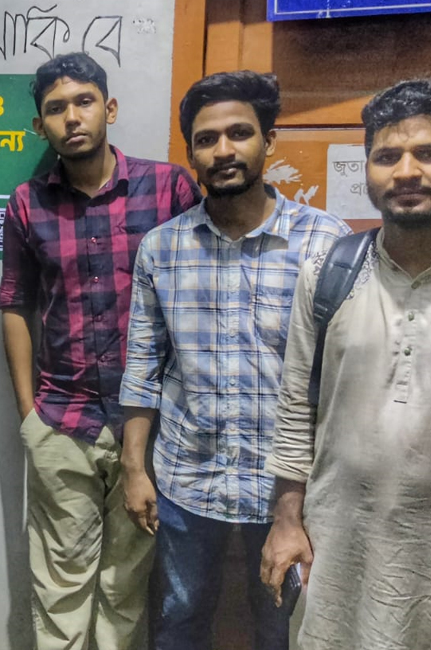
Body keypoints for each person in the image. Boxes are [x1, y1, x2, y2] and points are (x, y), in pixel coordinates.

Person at [260, 77, 431, 649]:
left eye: (430, 153)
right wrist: (286, 521)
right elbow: (296, 411)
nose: (406, 171)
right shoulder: (329, 273)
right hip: (334, 565)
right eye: (386, 157)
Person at [119, 71, 350, 650]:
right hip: (186, 479)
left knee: (283, 629)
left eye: (239, 133)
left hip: (290, 489)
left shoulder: (326, 243)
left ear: (268, 140)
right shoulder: (162, 249)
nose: (223, 150)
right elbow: (143, 366)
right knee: (178, 620)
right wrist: (134, 468)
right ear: (191, 153)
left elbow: (346, 379)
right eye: (206, 139)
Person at [0, 52, 202, 650]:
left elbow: (200, 290)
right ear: (39, 125)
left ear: (108, 108)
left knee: (126, 584)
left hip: (149, 424)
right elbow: (15, 303)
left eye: (84, 102)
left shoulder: (169, 188)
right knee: (59, 588)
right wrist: (29, 416)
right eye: (55, 109)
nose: (72, 117)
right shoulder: (27, 203)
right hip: (62, 420)